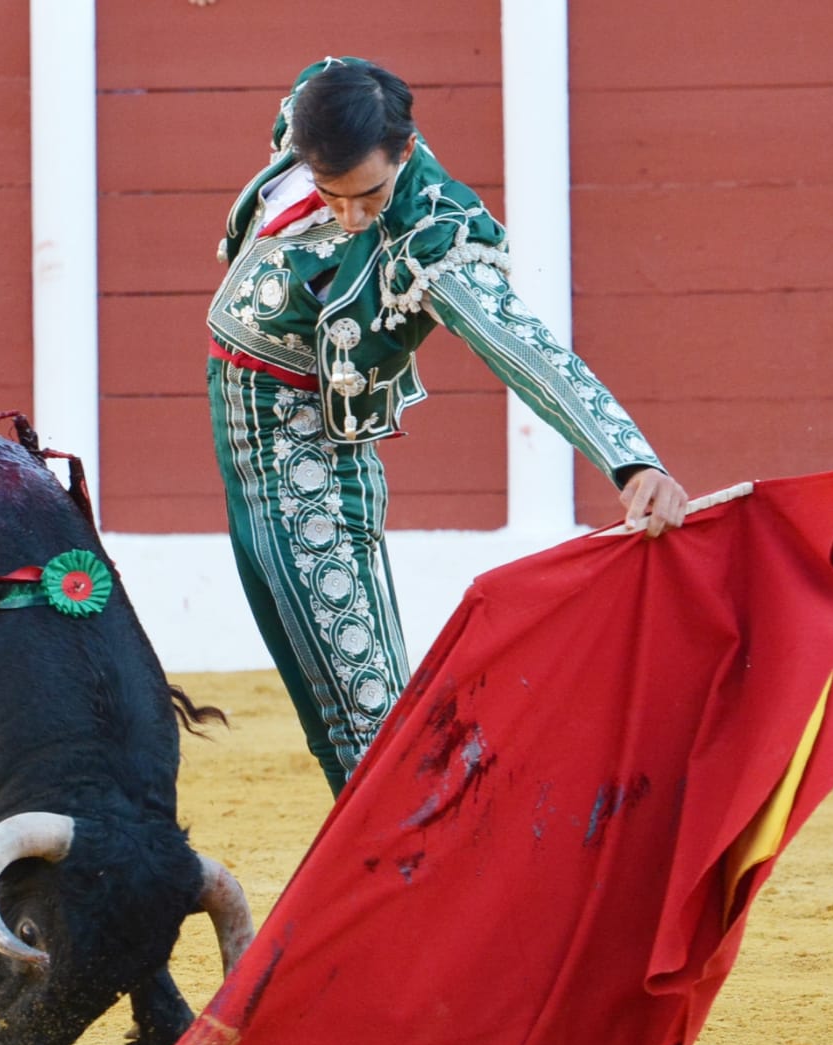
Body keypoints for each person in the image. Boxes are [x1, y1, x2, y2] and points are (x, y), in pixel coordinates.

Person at [207, 56, 688, 797]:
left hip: (308, 468)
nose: (351, 216)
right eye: (332, 196)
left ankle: (425, 885)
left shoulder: (432, 232)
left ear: (403, 152)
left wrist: (630, 461)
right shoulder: (315, 105)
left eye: (368, 195)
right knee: (324, 709)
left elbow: (525, 348)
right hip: (245, 450)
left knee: (366, 726)